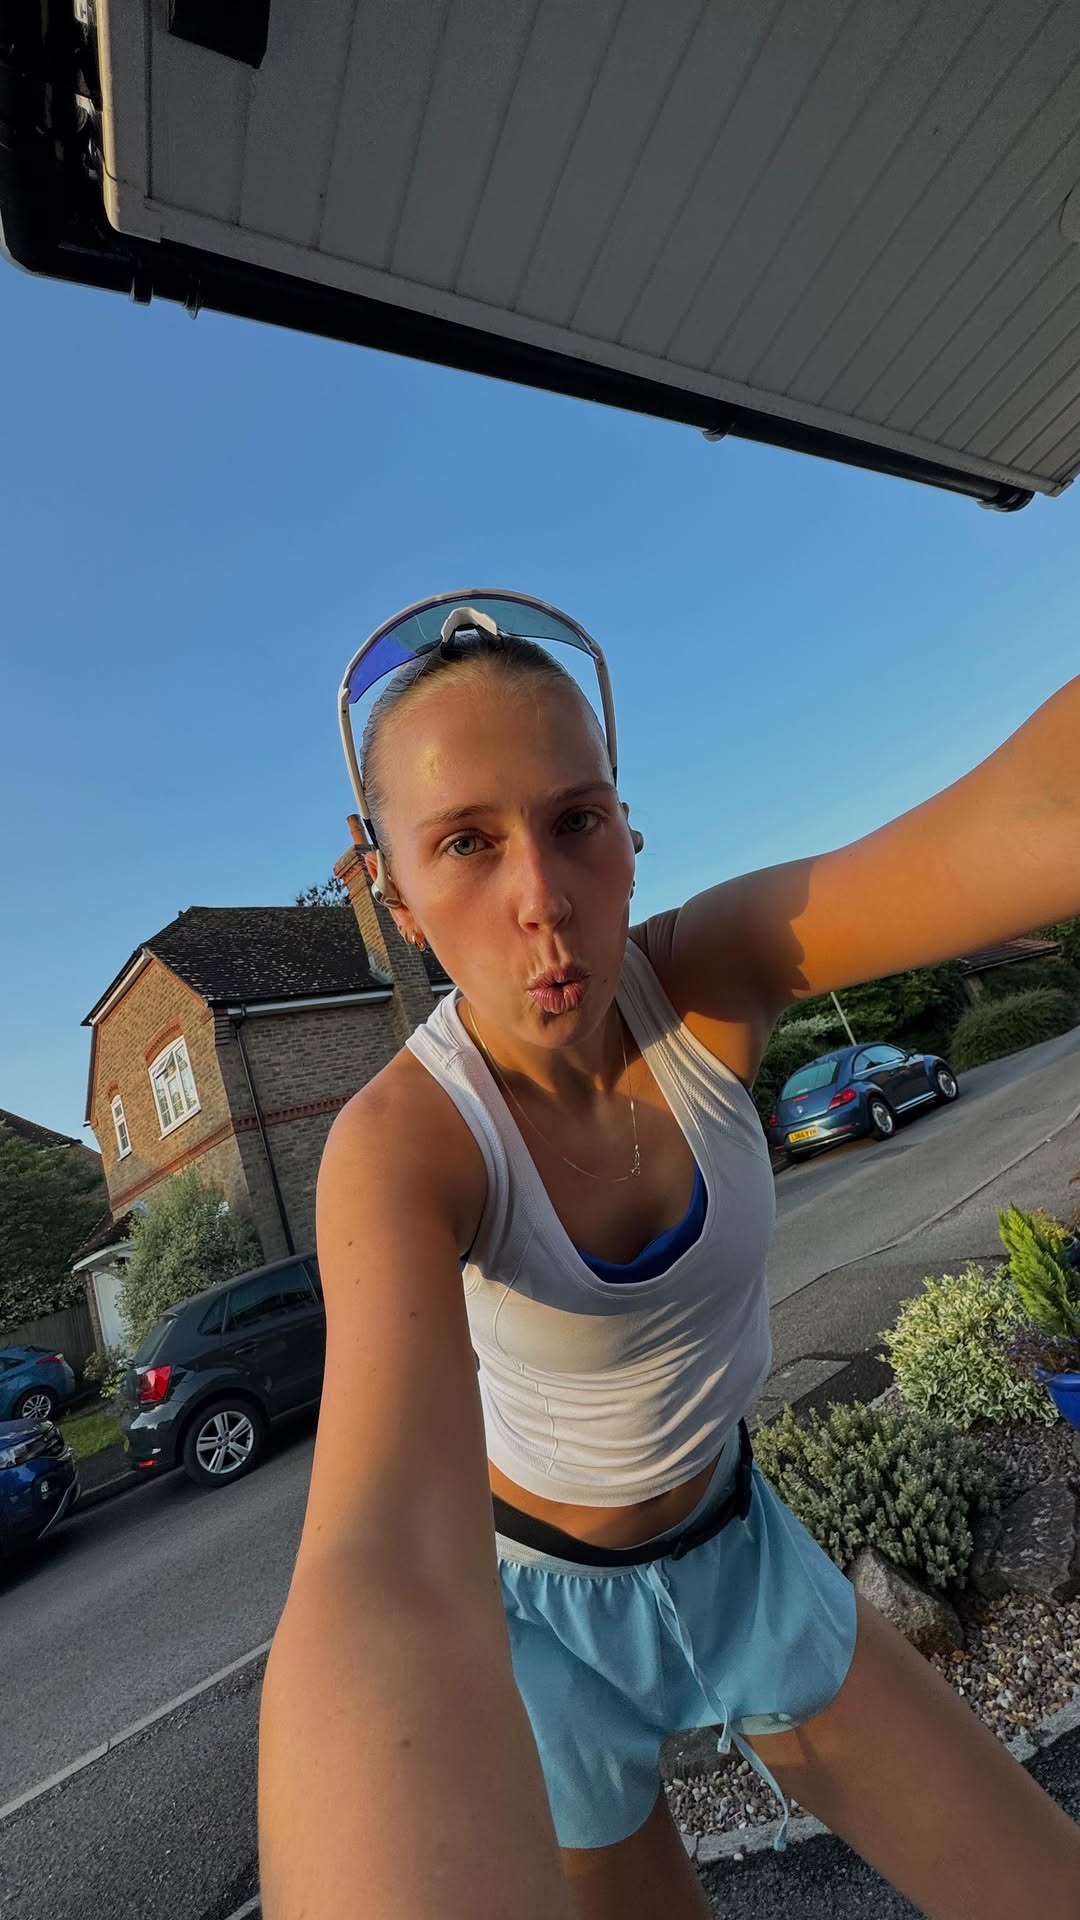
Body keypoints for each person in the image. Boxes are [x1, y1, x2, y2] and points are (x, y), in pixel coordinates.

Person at [259, 592, 1080, 1920]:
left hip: (739, 1546)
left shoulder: (710, 976)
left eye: (575, 821)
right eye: (465, 842)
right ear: (392, 891)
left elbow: (1038, 805)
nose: (542, 899)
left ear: (626, 829)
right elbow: (386, 1562)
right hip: (538, 1622)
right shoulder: (404, 1147)